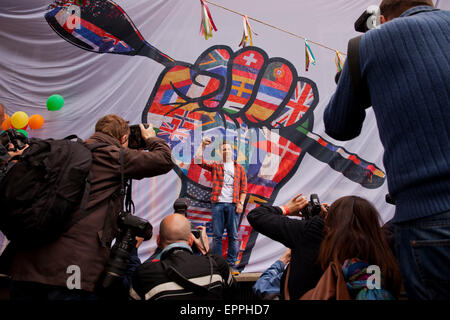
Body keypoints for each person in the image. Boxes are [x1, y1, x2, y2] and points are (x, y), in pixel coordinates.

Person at [323, 0, 450, 300]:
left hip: (427, 219)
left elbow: (339, 125)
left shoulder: (369, 44)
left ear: (383, 17)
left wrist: (355, 70)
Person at [7, 114, 175, 300]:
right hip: (72, 271)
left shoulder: (65, 153)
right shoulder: (110, 156)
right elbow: (164, 159)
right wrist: (150, 138)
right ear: (123, 139)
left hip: (25, 267)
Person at [247, 194, 401, 300]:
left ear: (332, 218)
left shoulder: (313, 233)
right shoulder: (381, 243)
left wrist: (288, 208)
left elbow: (257, 216)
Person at [130, 213, 236, 300]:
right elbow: (234, 293)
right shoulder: (217, 264)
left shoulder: (145, 273)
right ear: (191, 240)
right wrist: (206, 250)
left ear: (158, 241)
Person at [195, 137, 247, 274]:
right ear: (220, 152)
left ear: (232, 151)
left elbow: (244, 189)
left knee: (233, 236)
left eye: (229, 148)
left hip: (233, 205)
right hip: (218, 204)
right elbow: (198, 160)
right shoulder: (216, 166)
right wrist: (202, 145)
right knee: (217, 235)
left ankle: (231, 265)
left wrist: (240, 203)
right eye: (224, 149)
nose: (227, 151)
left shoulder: (240, 168)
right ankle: (218, 263)